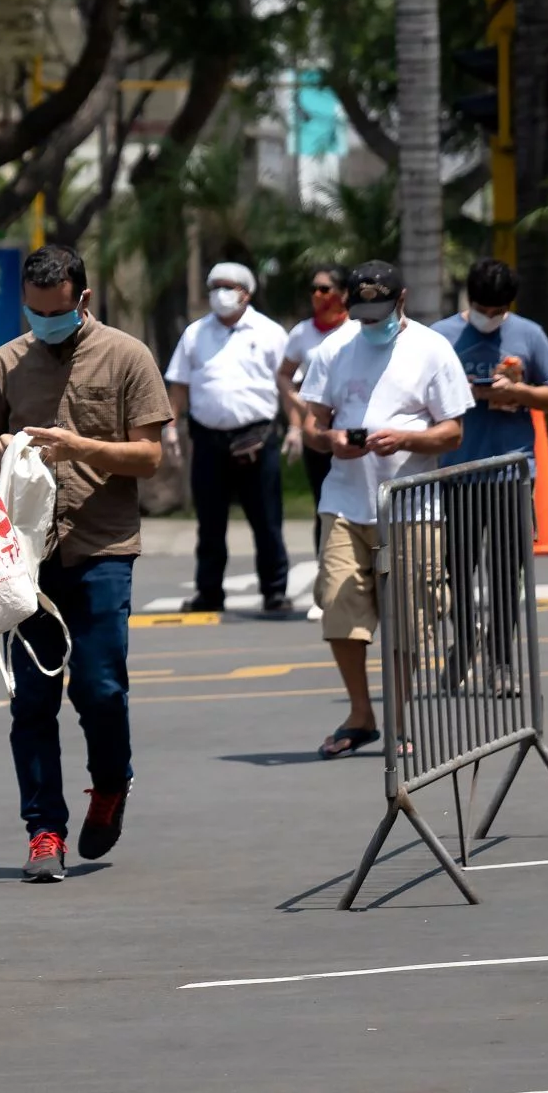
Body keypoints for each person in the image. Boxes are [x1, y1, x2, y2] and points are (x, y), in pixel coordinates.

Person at [0, 246, 170, 881]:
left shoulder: (128, 356)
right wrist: (1, 448)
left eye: (57, 313)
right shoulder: (6, 362)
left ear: (83, 302)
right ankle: (44, 831)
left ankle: (111, 782)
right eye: (34, 313)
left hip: (101, 547)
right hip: (27, 560)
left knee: (100, 688)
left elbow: (149, 456)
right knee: (32, 700)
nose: (44, 323)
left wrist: (79, 447)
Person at [298, 262, 471, 760]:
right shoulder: (334, 348)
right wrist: (328, 439)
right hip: (346, 501)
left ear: (402, 301)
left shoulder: (432, 349)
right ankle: (361, 714)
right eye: (362, 315)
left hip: (413, 505)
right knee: (338, 605)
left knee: (409, 617)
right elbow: (313, 422)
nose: (371, 325)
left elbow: (453, 431)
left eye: (380, 314)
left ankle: (396, 715)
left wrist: (406, 438)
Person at [168, 261, 292, 617]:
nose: (220, 294)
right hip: (207, 439)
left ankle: (274, 591)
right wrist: (171, 427)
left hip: (258, 436)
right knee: (209, 522)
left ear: (246, 293)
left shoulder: (270, 333)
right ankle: (209, 592)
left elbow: (287, 385)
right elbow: (179, 383)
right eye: (215, 286)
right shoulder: (195, 334)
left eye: (228, 286)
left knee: (267, 518)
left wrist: (297, 426)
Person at [277, 263, 355, 621]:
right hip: (319, 432)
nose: (317, 296)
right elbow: (284, 376)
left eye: (325, 289)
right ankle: (325, 588)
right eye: (314, 289)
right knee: (325, 506)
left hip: (356, 431)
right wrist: (301, 407)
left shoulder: (357, 330)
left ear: (342, 294)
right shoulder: (303, 334)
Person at [433, 258, 548, 465]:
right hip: (457, 468)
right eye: (482, 310)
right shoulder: (440, 336)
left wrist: (516, 391)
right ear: (470, 299)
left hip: (513, 469)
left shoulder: (530, 334)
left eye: (497, 312)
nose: (488, 317)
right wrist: (461, 391)